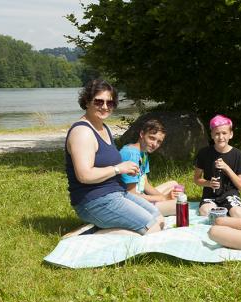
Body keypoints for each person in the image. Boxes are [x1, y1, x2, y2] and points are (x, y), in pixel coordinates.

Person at [64, 79, 164, 237]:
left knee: (159, 218)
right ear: (87, 101)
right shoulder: (82, 132)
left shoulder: (104, 128)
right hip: (94, 201)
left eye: (109, 103)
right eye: (99, 101)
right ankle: (92, 234)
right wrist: (118, 169)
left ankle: (98, 228)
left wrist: (124, 169)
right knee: (152, 229)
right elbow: (84, 175)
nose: (104, 107)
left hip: (116, 194)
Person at [193, 115, 241, 218]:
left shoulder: (238, 155)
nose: (221, 137)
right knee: (205, 212)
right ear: (211, 135)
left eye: (224, 133)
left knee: (239, 215)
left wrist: (227, 168)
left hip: (230, 195)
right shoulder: (204, 153)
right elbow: (196, 179)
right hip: (210, 195)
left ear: (231, 134)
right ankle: (225, 214)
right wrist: (209, 183)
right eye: (217, 133)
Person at [119, 119, 181, 216]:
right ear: (142, 134)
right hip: (129, 203)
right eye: (152, 138)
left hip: (141, 196)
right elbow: (131, 195)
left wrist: (165, 197)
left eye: (159, 142)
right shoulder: (130, 154)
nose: (155, 144)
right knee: (179, 206)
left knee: (174, 184)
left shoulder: (143, 153)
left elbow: (145, 184)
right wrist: (163, 198)